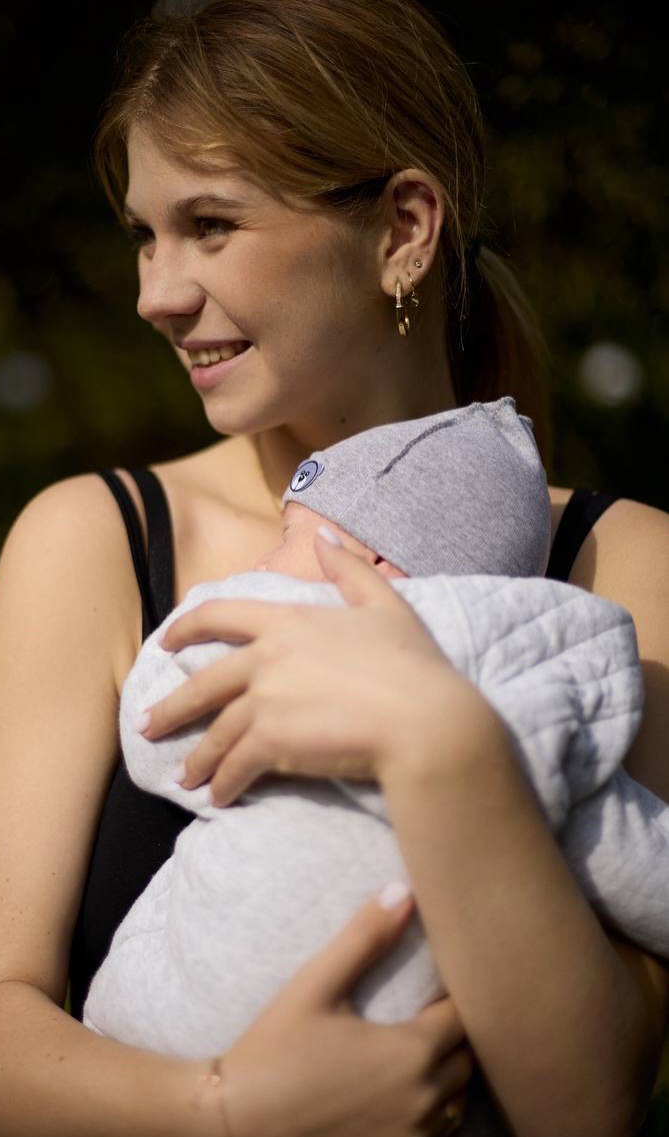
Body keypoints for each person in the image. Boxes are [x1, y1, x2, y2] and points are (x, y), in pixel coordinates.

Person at [0, 2, 669, 1136]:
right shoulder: (94, 539)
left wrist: (441, 746)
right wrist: (222, 1111)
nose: (155, 293)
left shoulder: (625, 564)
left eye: (211, 224)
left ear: (402, 228)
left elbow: (591, 1102)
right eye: (143, 233)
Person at [83, 399, 668, 1082]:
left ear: (366, 558)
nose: (261, 560)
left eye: (286, 536)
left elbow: (156, 729)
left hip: (167, 1033)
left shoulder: (265, 635)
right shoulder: (533, 698)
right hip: (403, 1072)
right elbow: (638, 864)